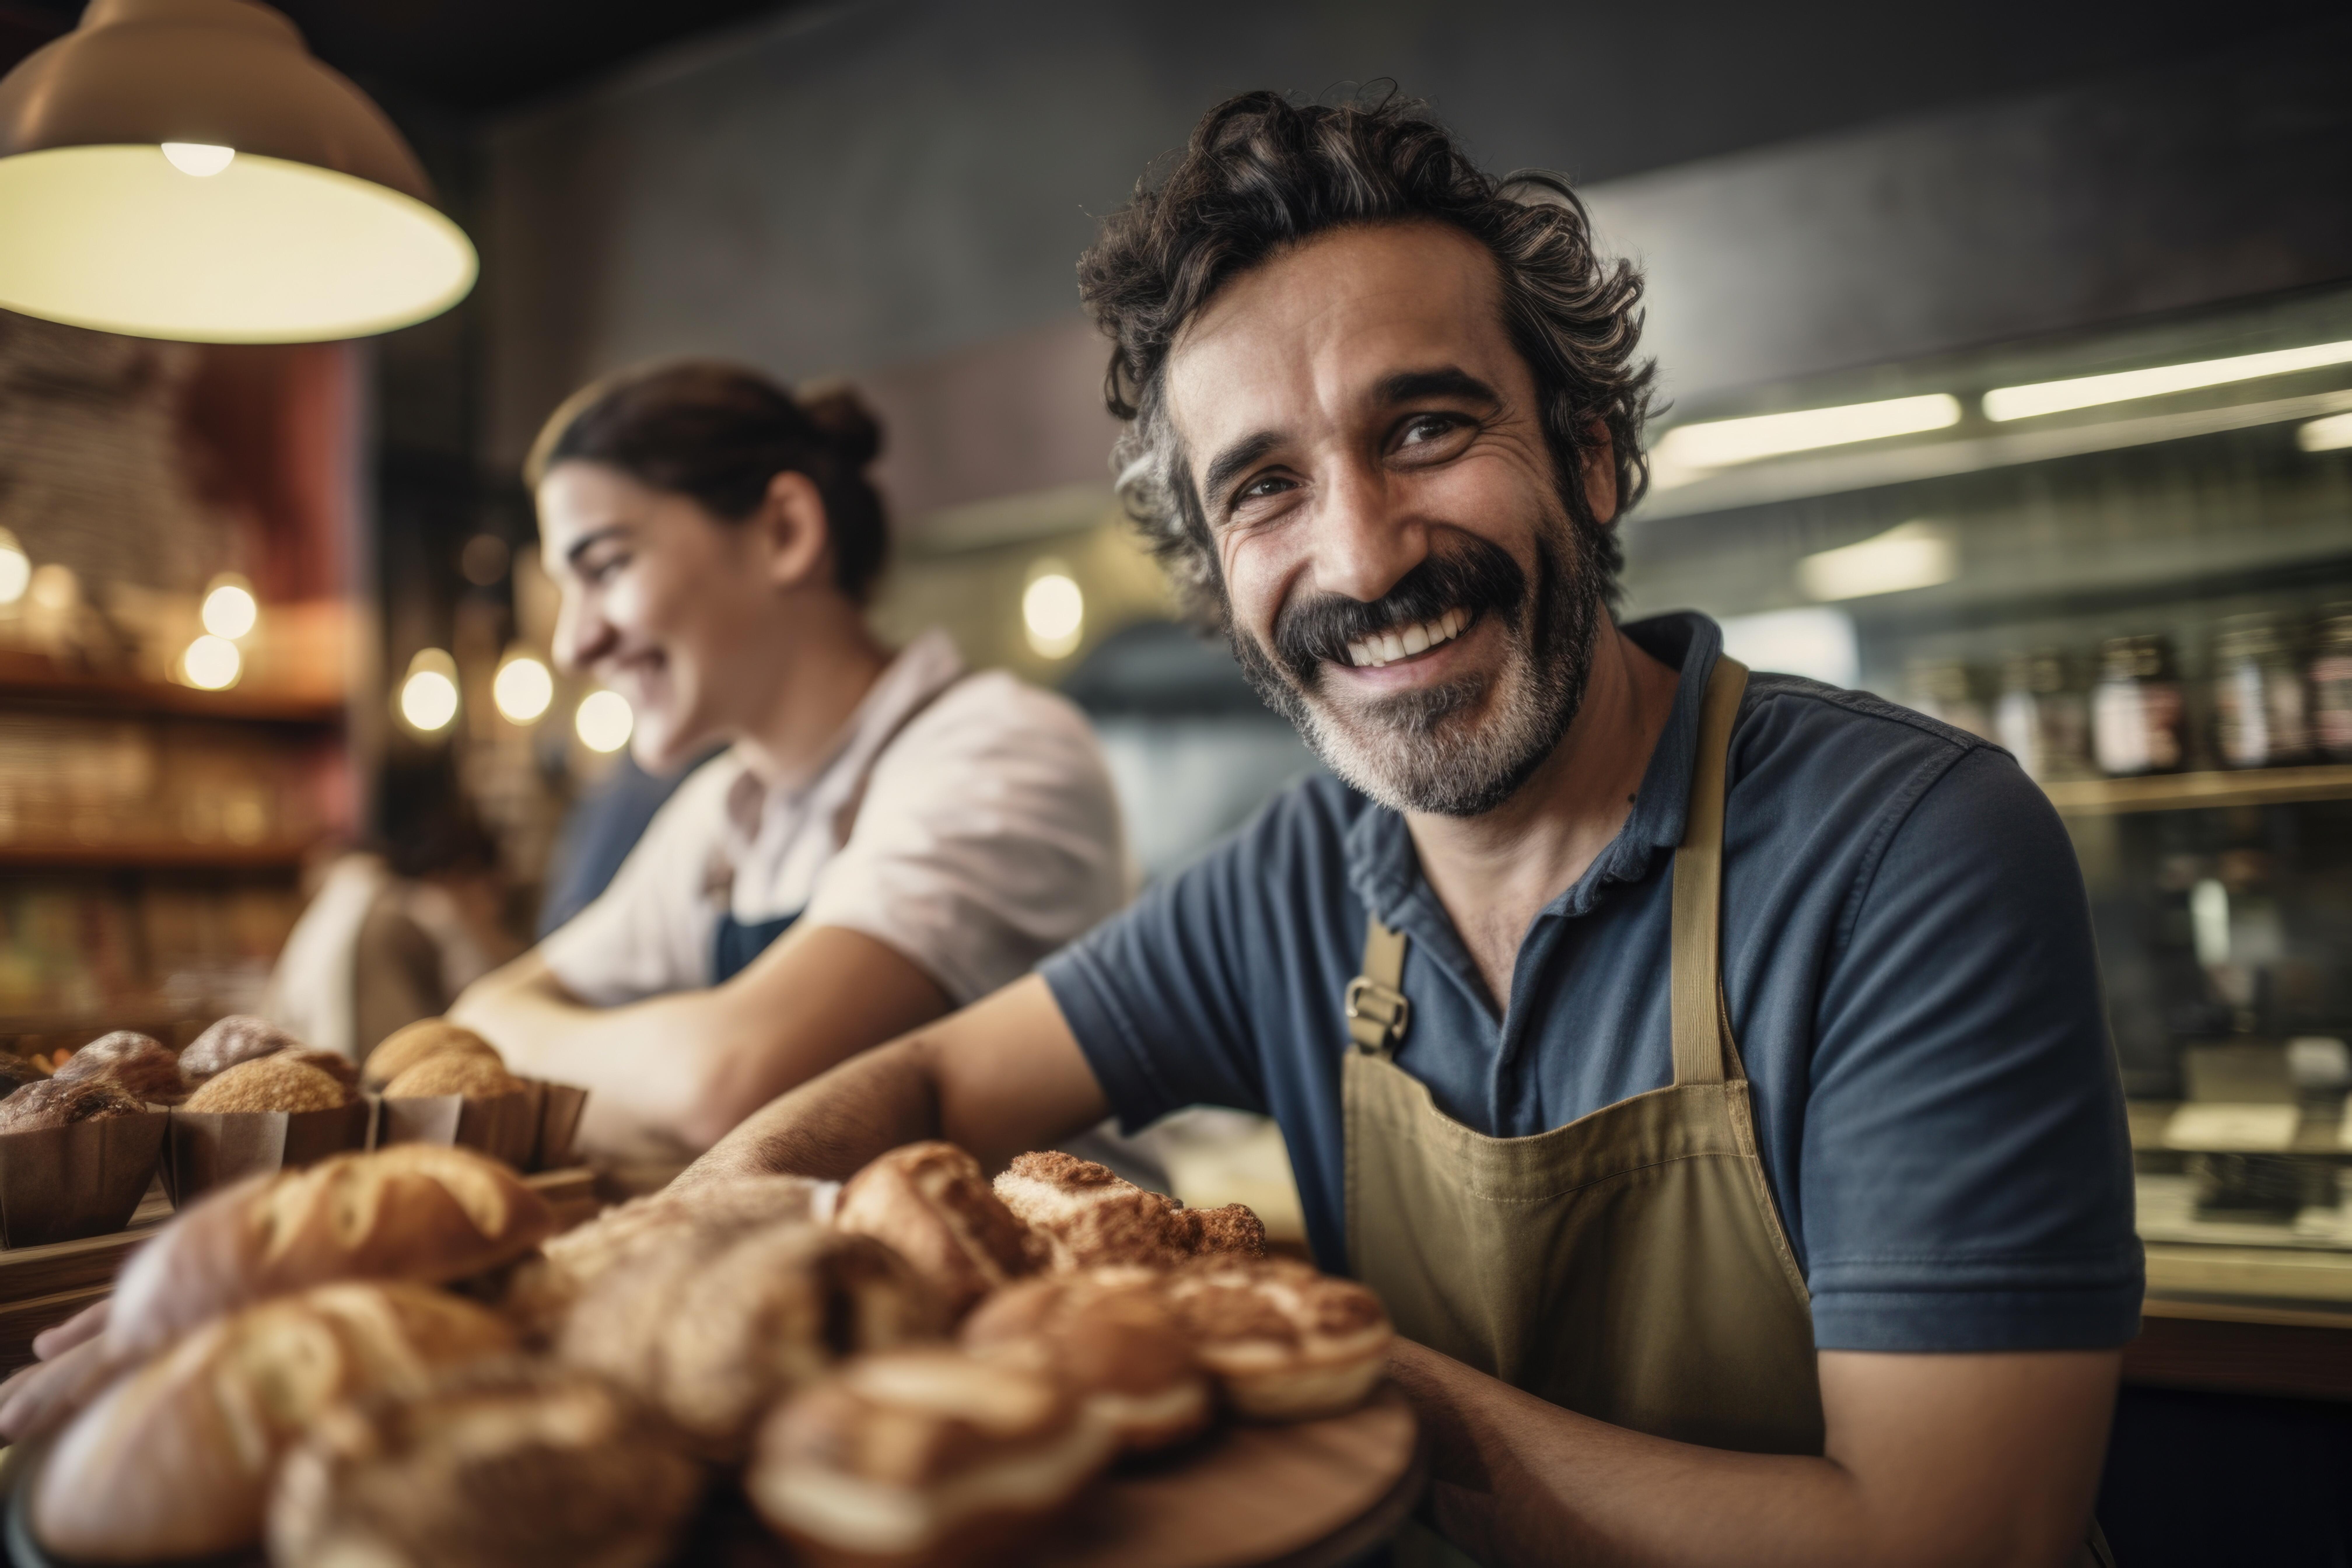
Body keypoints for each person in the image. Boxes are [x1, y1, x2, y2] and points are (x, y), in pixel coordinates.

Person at [681, 92, 2140, 1568]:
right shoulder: (1290, 885)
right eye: (1265, 489)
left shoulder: (1910, 853)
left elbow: (1959, 1542)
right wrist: (685, 1253)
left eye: (1428, 427)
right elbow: (930, 1078)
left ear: (1589, 456)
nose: (1364, 555)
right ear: (1216, 571)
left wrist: (1333, 1374)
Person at [449, 364, 1127, 1163]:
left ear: (785, 531)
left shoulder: (1000, 749)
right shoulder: (726, 812)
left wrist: (620, 1070)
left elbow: (729, 1086)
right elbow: (475, 1027)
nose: (572, 643)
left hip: (1061, 1271)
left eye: (605, 568)